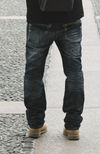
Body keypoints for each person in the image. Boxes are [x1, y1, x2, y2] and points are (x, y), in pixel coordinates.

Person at [24, 0, 85, 140]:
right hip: (70, 18)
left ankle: (35, 124)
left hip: (38, 18)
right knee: (74, 72)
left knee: (33, 73)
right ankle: (72, 126)